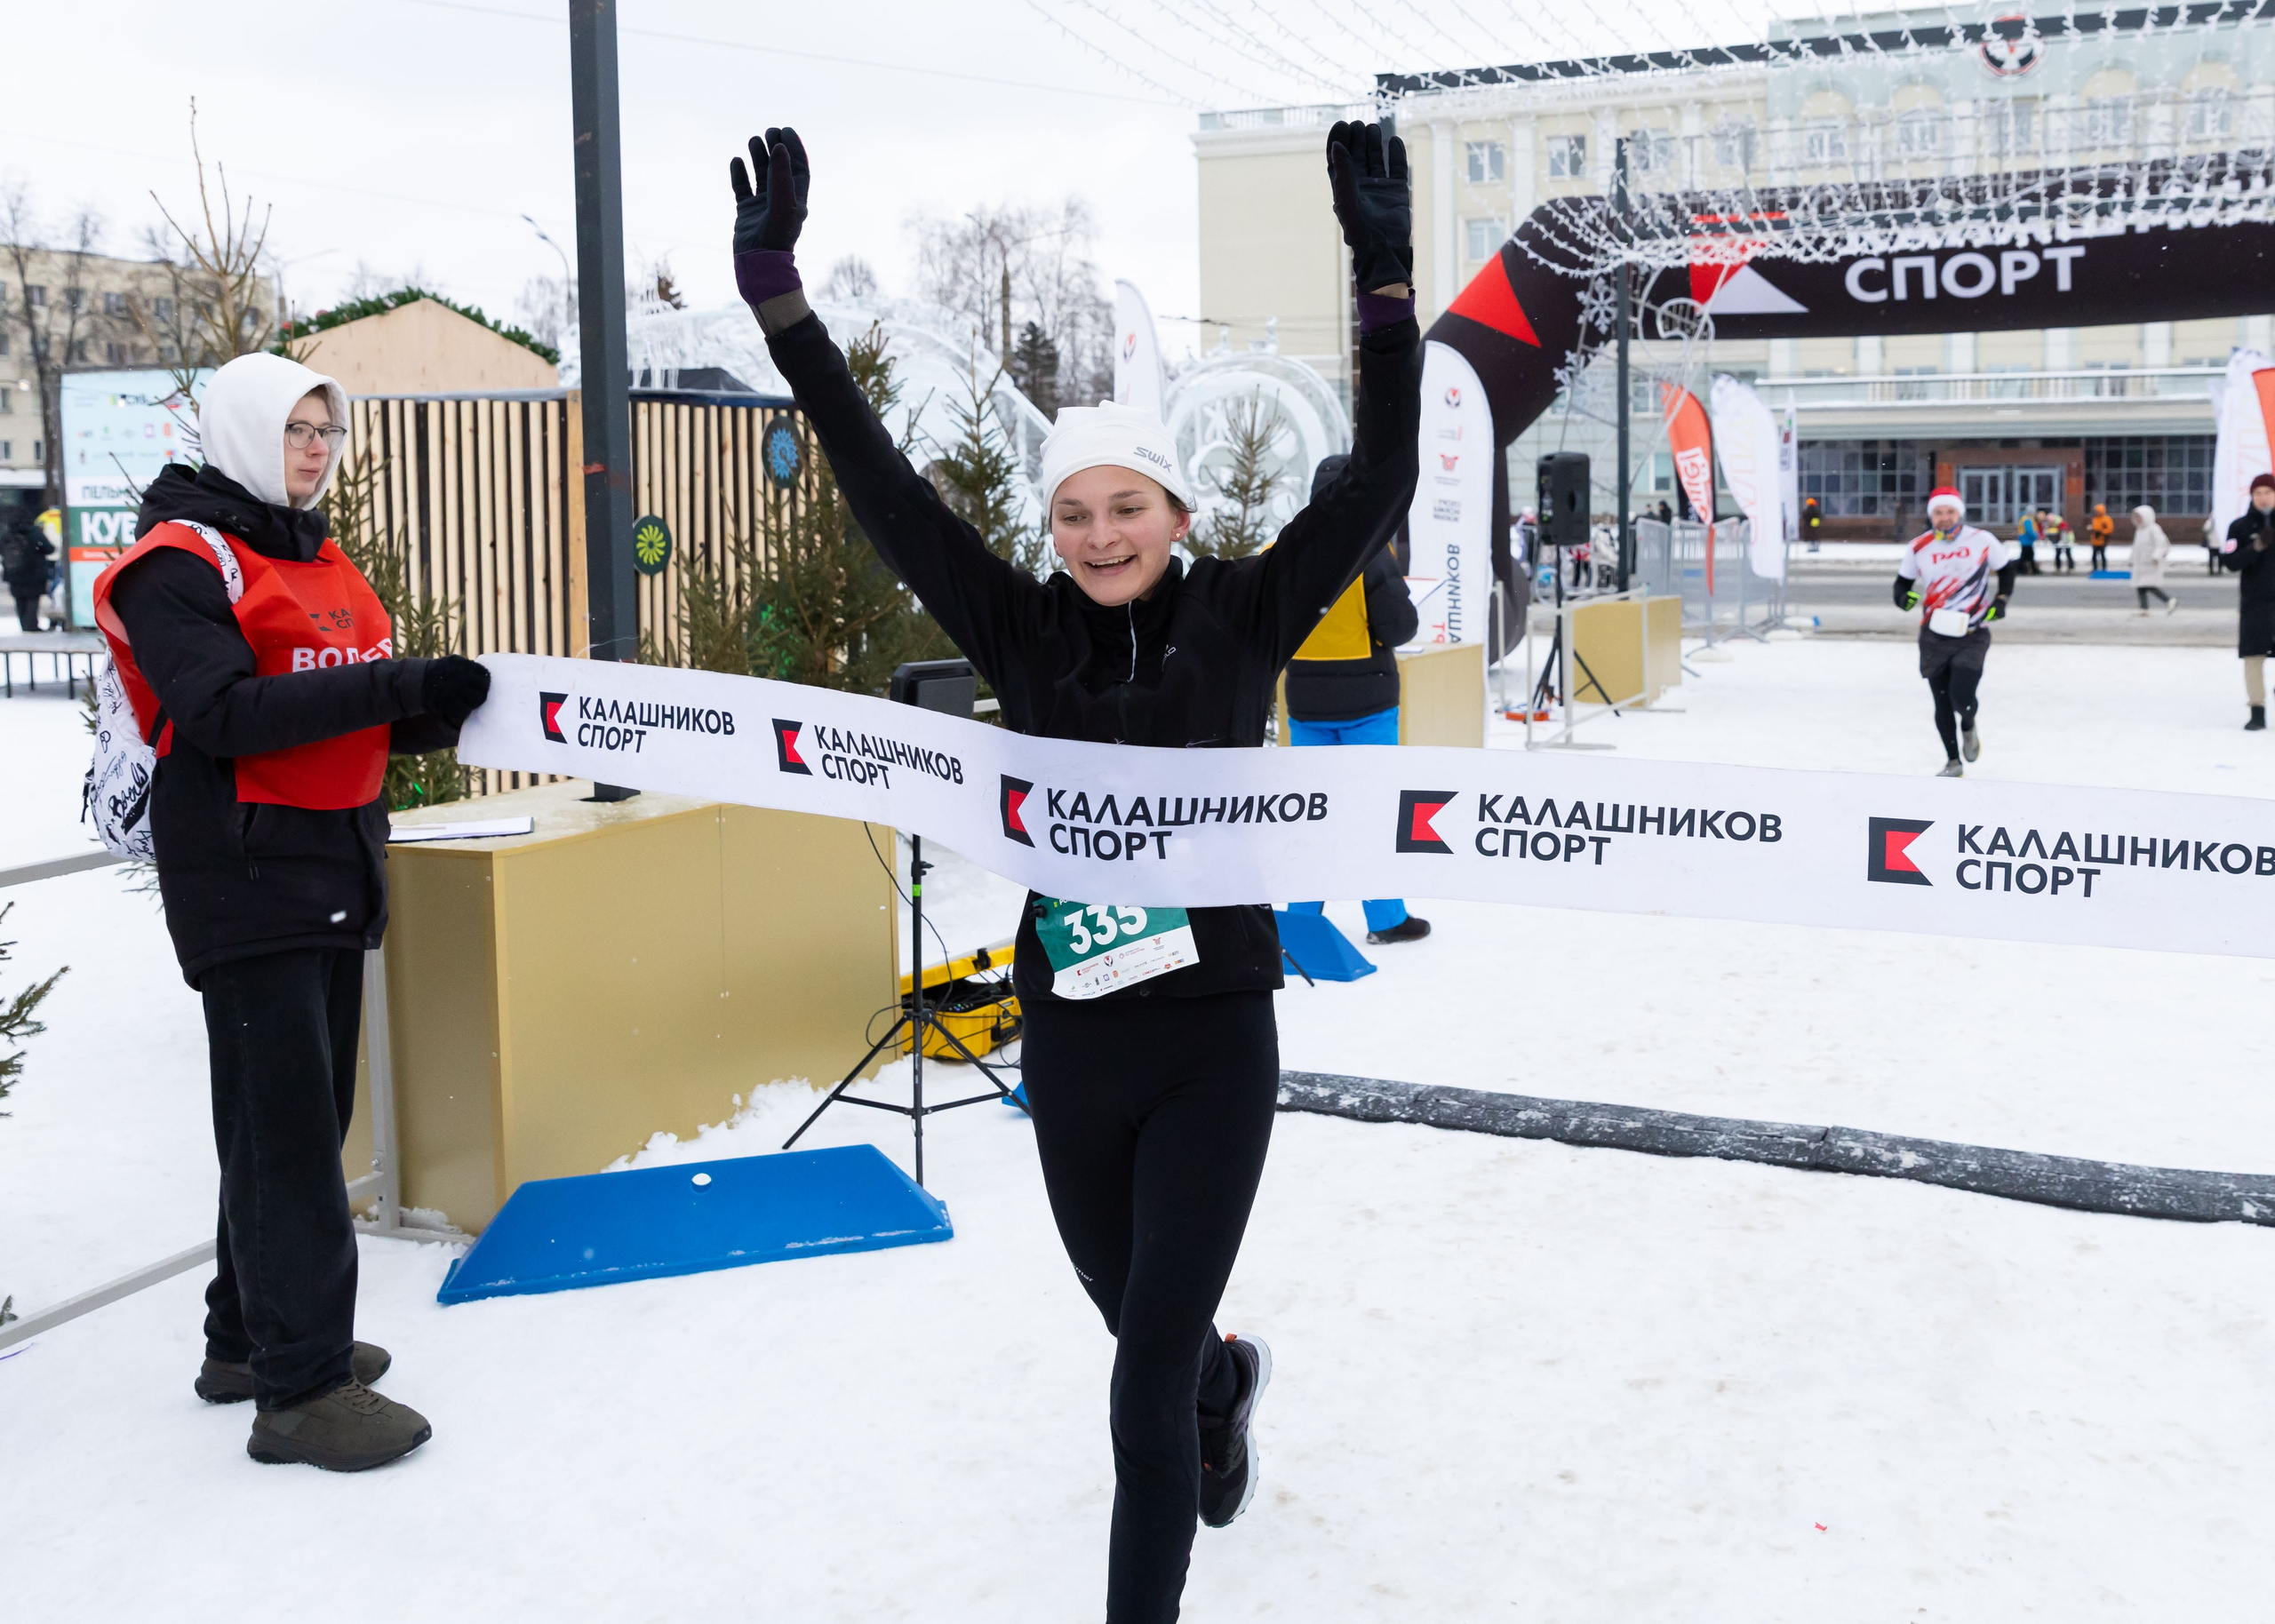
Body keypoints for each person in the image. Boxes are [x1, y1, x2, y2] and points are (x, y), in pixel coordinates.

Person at [731, 123, 1418, 1622]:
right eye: (1074, 510)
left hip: (1214, 1033)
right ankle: (1228, 1378)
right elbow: (874, 474)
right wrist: (781, 294)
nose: (1101, 532)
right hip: (1077, 1039)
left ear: (1178, 516)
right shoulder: (1020, 630)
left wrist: (1382, 272)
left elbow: (1382, 474)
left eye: (1128, 505)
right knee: (1140, 1325)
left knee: (1138, 1381)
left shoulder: (1243, 614)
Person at [92, 352, 492, 1471]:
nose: (314, 449)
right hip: (248, 874)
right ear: (240, 433)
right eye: (294, 429)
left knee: (294, 1124)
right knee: (291, 1143)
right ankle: (300, 1387)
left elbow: (351, 707)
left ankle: (242, 1341)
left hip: (332, 867)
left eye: (327, 430)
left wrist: (446, 711)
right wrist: (397, 687)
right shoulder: (175, 566)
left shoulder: (316, 555)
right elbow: (219, 712)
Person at [1282, 454, 1427, 946]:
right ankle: (1386, 919)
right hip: (1368, 708)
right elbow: (1400, 627)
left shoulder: (1286, 551)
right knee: (1371, 811)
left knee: (1312, 813)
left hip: (1305, 707)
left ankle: (1301, 920)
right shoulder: (1370, 554)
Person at [1896, 486, 2016, 776]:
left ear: (1959, 513)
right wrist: (1903, 599)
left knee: (1961, 696)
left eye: (1950, 512)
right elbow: (1902, 584)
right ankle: (1953, 761)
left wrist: (2000, 601)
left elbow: (2007, 570)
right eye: (1939, 512)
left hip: (1972, 633)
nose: (1945, 517)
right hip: (1933, 635)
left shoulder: (1982, 540)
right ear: (1931, 515)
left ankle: (1969, 724)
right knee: (1940, 700)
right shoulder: (1919, 547)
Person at [2220, 471, 2275, 730]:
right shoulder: (2239, 527)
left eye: (2268, 492)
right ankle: (2257, 711)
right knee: (2253, 658)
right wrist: (2256, 548)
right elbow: (2230, 562)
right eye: (2258, 493)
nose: (2263, 498)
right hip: (2255, 603)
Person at [4, 517, 54, 632]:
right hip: (34, 572)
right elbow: (49, 548)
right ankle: (31, 625)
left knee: (19, 599)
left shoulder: (7, 534)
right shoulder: (34, 533)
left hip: (14, 573)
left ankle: (24, 624)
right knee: (33, 599)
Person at [2129, 504, 2176, 614]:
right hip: (2140, 564)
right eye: (2136, 517)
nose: (2137, 519)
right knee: (2140, 586)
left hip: (2150, 564)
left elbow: (2161, 544)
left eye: (2139, 517)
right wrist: (2132, 559)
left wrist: (2156, 556)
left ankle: (2169, 600)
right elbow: (2136, 548)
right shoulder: (2139, 531)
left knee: (2149, 586)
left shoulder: (2154, 529)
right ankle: (2144, 608)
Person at [2048, 507, 2076, 573]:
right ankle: (2059, 567)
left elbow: (2064, 533)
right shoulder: (2054, 524)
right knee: (2058, 553)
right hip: (2059, 541)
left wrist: (2063, 541)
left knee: (2068, 553)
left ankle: (2070, 567)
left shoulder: (2061, 523)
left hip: (2067, 540)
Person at [2015, 507, 2041, 576]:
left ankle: (2026, 569)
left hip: (2026, 540)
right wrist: (2036, 536)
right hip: (2026, 540)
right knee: (2026, 556)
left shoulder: (2025, 518)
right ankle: (2021, 569)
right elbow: (2029, 530)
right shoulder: (2027, 519)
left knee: (2028, 556)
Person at [2088, 502, 2114, 570]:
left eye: (2098, 511)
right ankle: (2095, 568)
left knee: (2103, 555)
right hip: (2095, 540)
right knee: (2094, 556)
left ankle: (2104, 569)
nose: (2096, 512)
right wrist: (2092, 529)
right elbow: (2094, 527)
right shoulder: (2095, 519)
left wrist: (2101, 531)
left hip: (2103, 540)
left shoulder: (2106, 519)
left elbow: (2109, 529)